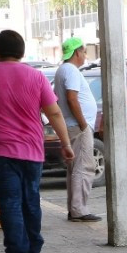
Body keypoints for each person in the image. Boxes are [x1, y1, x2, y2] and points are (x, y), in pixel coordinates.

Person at [0, 30, 73, 253]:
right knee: (31, 198)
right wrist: (65, 143)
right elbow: (53, 112)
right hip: (32, 150)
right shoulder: (36, 76)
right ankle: (33, 248)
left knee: (9, 200)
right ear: (22, 52)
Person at [54, 37, 100, 222]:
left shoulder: (63, 70)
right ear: (77, 52)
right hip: (77, 126)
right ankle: (79, 210)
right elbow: (72, 98)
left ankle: (74, 208)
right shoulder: (71, 70)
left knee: (75, 168)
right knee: (83, 168)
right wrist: (83, 124)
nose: (84, 55)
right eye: (83, 51)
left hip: (71, 125)